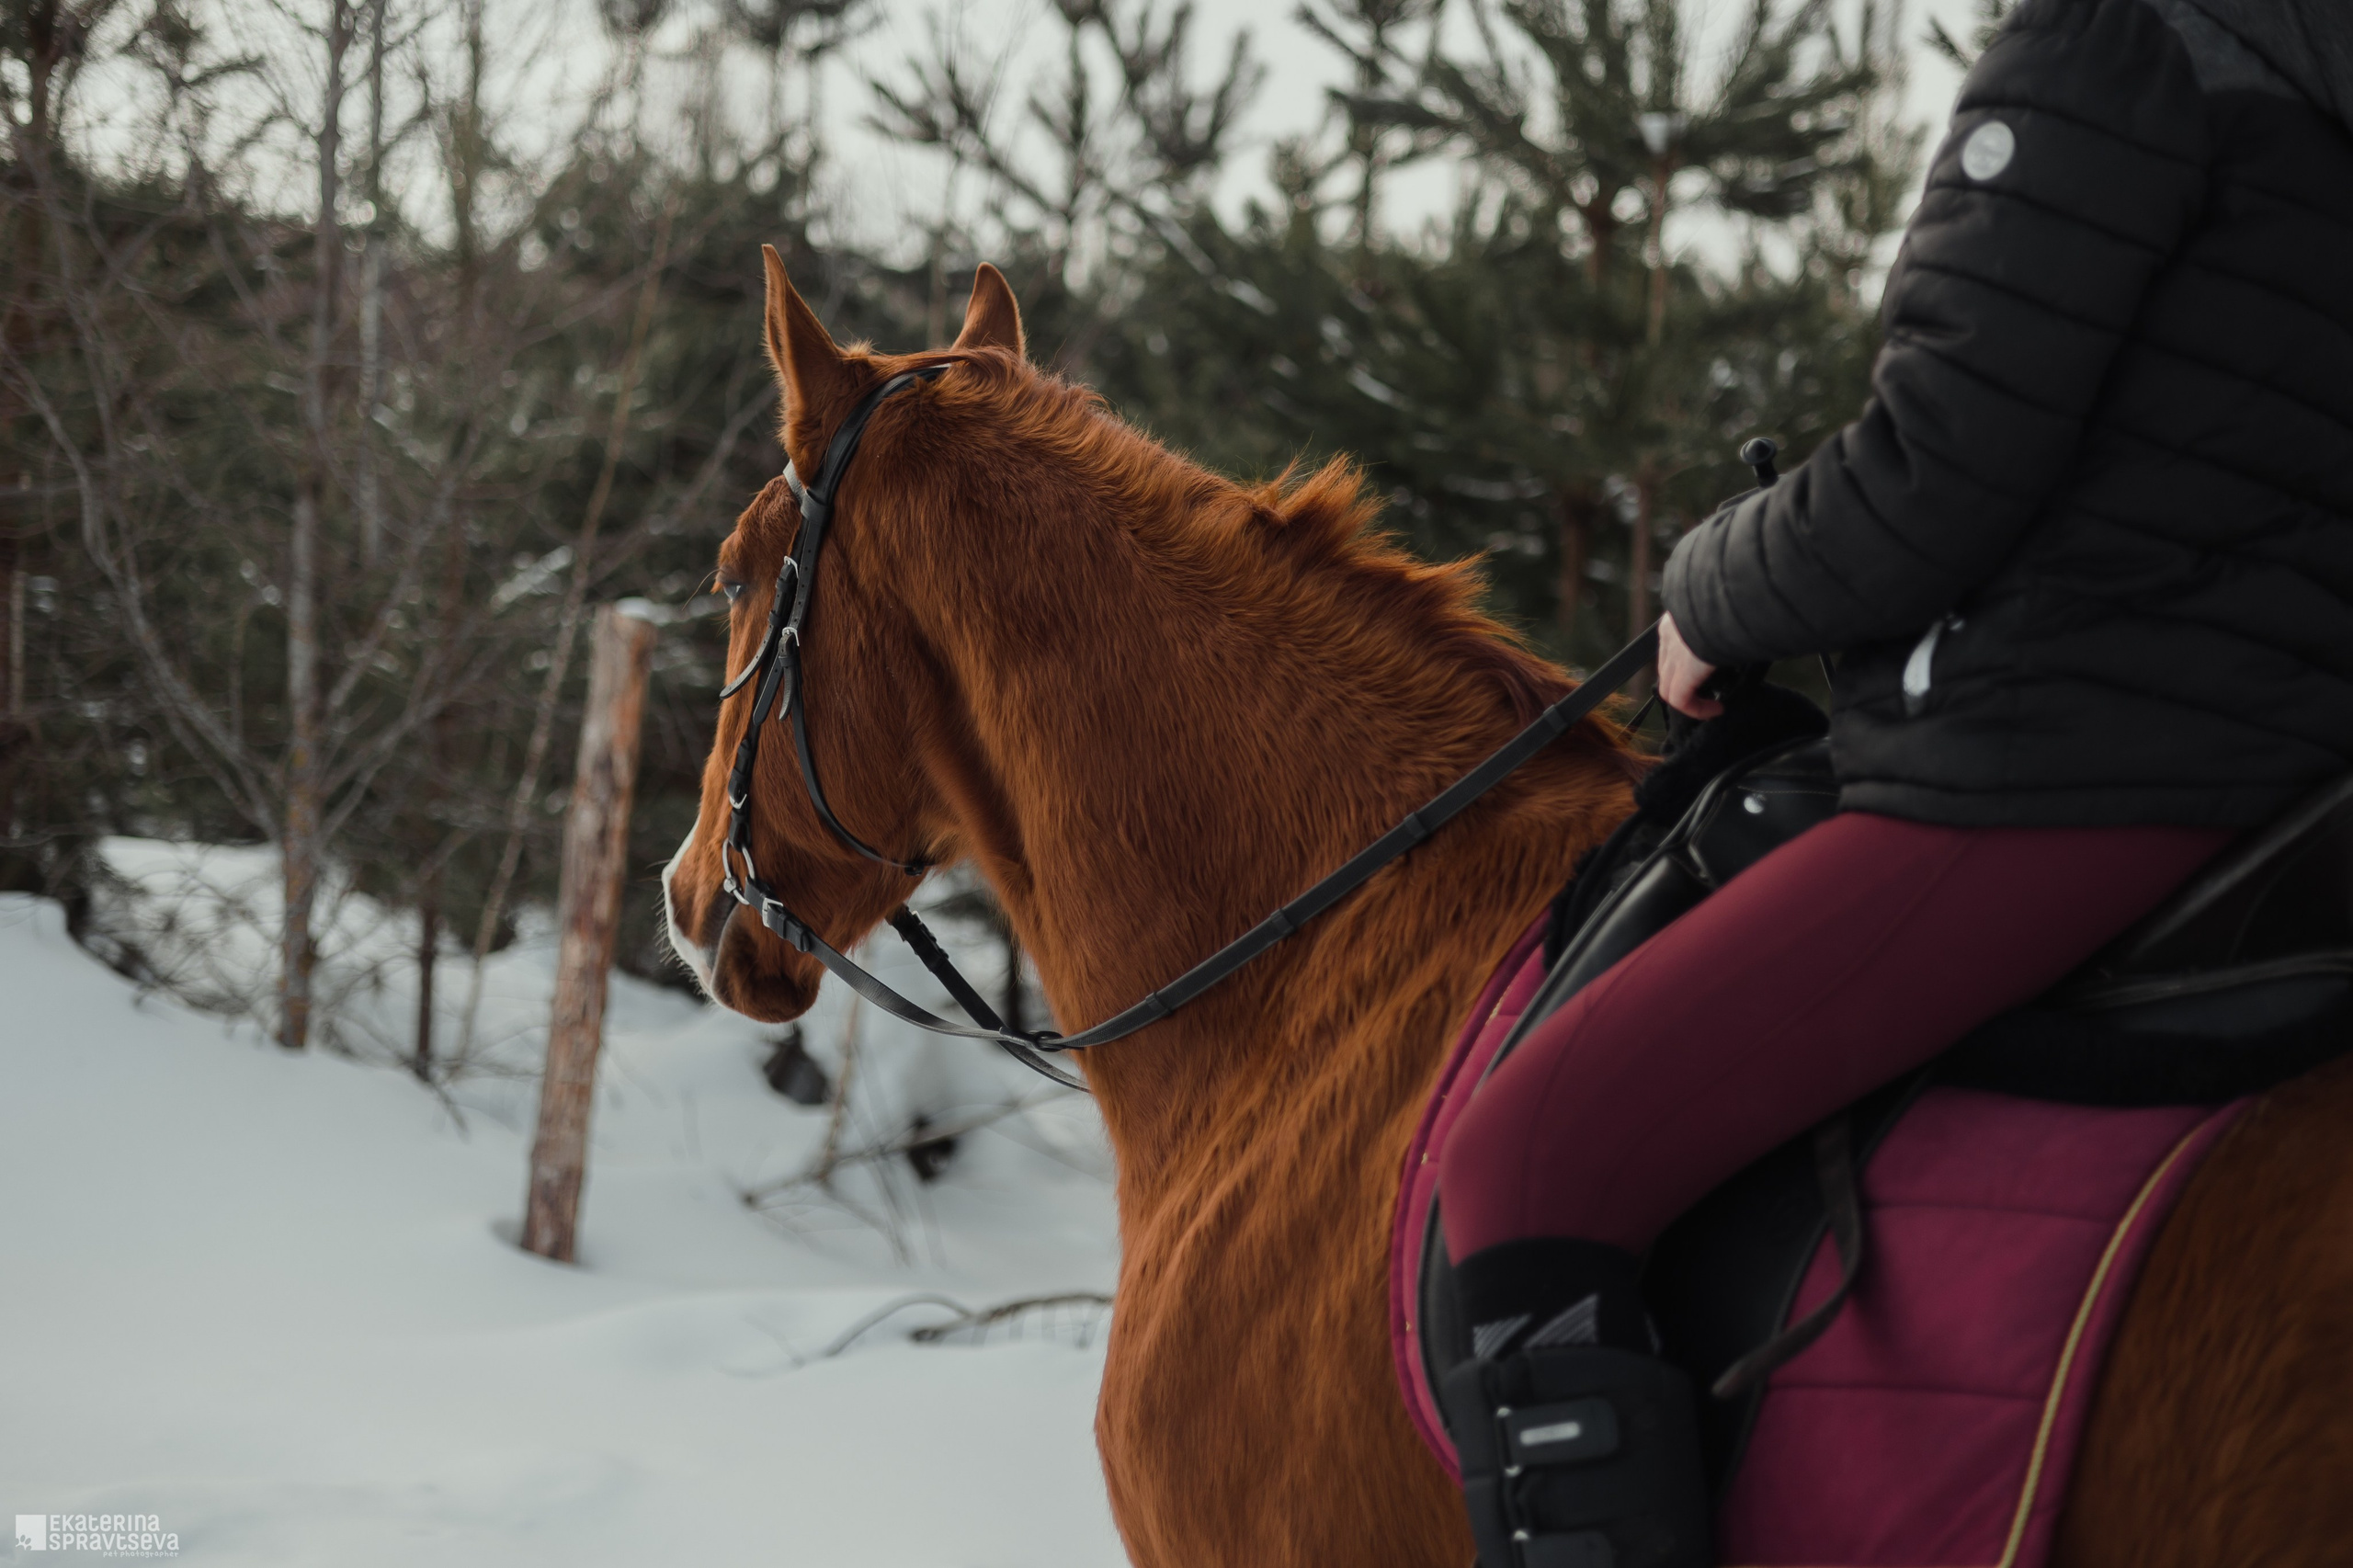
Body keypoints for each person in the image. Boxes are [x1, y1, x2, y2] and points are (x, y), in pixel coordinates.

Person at [1434, 0, 2353, 1563]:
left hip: (2068, 767)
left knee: (1526, 1161)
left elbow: (1929, 476)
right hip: (2285, 764)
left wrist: (1708, 595)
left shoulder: (2112, 46)